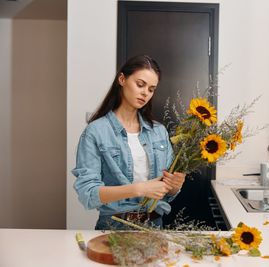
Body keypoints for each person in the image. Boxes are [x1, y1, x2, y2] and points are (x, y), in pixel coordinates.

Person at [72, 55, 186, 230]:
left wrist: (174, 186)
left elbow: (165, 190)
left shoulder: (159, 132)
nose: (145, 93)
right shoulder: (95, 132)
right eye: (140, 84)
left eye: (151, 89)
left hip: (155, 227)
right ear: (122, 79)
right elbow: (88, 193)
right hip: (114, 228)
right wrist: (139, 189)